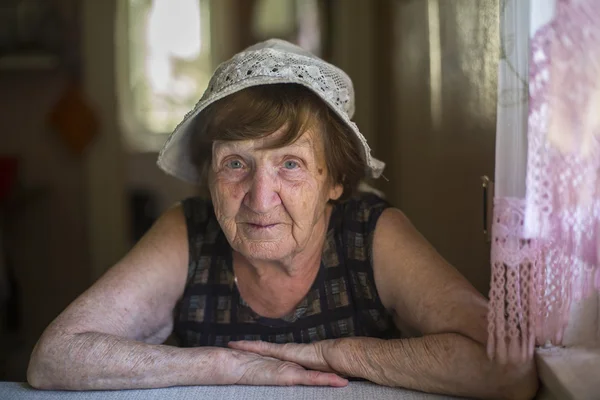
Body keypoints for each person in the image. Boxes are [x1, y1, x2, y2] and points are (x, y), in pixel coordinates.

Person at [26, 39, 537, 399]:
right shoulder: (189, 231)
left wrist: (335, 354)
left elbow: (508, 371)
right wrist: (224, 365)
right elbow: (54, 358)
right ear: (209, 175)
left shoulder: (372, 234)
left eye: (289, 164)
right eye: (235, 164)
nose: (259, 198)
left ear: (334, 180)